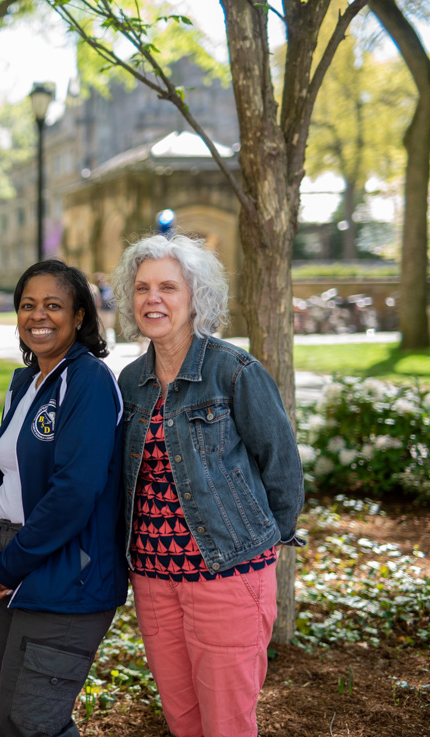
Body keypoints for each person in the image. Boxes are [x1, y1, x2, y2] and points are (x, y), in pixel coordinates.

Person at [111, 233, 304, 737]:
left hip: (227, 574)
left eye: (168, 287)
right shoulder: (131, 382)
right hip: (153, 578)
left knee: (227, 724)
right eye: (143, 288)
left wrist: (261, 545)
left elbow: (281, 465)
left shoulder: (233, 371)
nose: (154, 299)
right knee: (182, 719)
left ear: (196, 297)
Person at [0, 260, 127, 737]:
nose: (39, 315)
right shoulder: (27, 383)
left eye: (54, 305)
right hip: (14, 562)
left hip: (66, 574)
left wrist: (8, 566)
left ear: (80, 316)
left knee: (34, 723)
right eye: (28, 305)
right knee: (15, 722)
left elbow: (74, 492)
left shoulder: (89, 381)